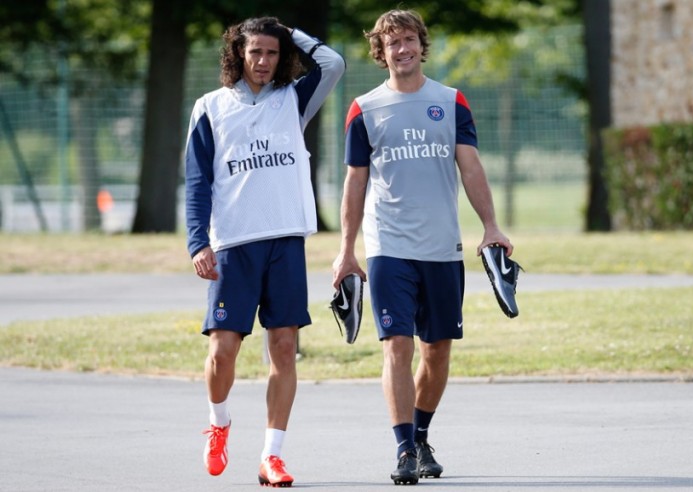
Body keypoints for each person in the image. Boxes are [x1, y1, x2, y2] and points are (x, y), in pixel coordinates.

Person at [332, 8, 513, 486]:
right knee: (397, 346)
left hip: (443, 248)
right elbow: (354, 183)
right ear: (381, 51)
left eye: (409, 39)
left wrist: (491, 225)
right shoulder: (364, 108)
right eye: (393, 43)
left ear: (420, 44)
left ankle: (422, 434)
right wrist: (347, 250)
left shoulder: (451, 102)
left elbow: (470, 167)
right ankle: (403, 448)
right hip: (388, 246)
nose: (402, 49)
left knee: (438, 351)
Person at [185, 16, 344, 486]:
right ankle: (218, 423)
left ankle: (272, 456)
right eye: (254, 51)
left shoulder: (292, 99)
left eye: (272, 53)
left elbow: (333, 63)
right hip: (234, 244)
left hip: (285, 239)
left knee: (284, 347)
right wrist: (198, 241)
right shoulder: (210, 107)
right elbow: (197, 182)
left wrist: (286, 30)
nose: (262, 61)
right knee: (223, 352)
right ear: (238, 54)